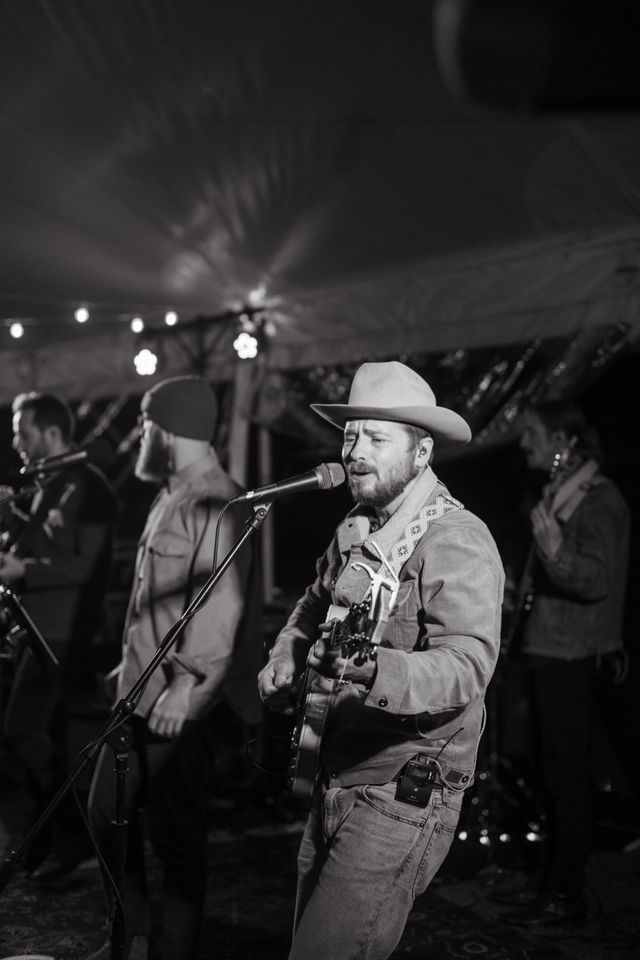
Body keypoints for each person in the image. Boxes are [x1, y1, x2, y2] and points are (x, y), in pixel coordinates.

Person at [258, 360, 504, 960]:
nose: (356, 451)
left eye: (376, 437)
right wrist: (286, 651)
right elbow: (312, 604)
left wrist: (377, 672)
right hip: (335, 774)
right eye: (350, 436)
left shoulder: (456, 538)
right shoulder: (355, 530)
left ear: (421, 454)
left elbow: (469, 663)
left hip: (403, 790)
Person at [86, 375, 263, 960]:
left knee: (175, 832)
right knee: (107, 815)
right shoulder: (171, 494)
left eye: (144, 423)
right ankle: (132, 936)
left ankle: (172, 949)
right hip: (142, 691)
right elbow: (155, 599)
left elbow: (220, 606)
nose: (140, 433)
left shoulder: (220, 499)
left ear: (166, 429)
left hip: (182, 700)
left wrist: (185, 684)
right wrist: (127, 669)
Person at [501, 400, 630, 927]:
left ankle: (566, 889)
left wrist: (552, 554)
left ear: (564, 442)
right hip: (546, 648)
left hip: (571, 655)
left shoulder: (599, 501)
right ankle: (550, 875)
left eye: (532, 433)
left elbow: (597, 580)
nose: (524, 444)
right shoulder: (561, 495)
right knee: (544, 768)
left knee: (566, 772)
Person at [0, 392, 118, 870]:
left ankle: (68, 835)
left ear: (51, 432)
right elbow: (44, 540)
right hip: (35, 626)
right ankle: (46, 837)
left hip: (64, 634)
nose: (15, 442)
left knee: (24, 733)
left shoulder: (89, 485)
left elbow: (83, 565)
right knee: (29, 734)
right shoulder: (51, 482)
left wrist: (21, 568)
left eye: (23, 432)